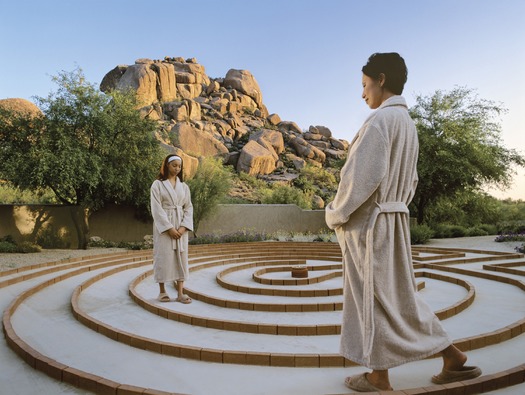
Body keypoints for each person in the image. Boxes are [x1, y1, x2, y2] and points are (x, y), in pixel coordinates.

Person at [325, 53, 481, 392]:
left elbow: (358, 182)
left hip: (371, 226)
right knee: (398, 298)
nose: (362, 94)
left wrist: (334, 214)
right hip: (393, 221)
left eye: (365, 85)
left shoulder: (379, 123)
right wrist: (395, 212)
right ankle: (451, 357)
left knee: (379, 298)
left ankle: (379, 377)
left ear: (381, 79)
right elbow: (410, 181)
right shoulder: (406, 124)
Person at [150, 154, 194, 304]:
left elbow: (188, 207)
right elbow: (156, 208)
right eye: (174, 165)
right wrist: (169, 228)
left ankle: (180, 293)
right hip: (164, 227)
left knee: (181, 258)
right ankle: (162, 292)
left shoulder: (184, 187)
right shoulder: (157, 185)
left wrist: (183, 227)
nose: (177, 168)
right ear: (167, 166)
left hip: (180, 225)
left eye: (179, 166)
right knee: (163, 256)